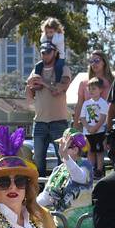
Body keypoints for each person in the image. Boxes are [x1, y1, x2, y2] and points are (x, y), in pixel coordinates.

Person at [26, 43, 72, 174]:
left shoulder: (63, 69)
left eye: (48, 52)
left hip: (59, 122)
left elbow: (59, 89)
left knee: (62, 157)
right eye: (42, 52)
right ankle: (39, 187)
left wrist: (42, 82)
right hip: (39, 122)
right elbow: (29, 98)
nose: (45, 55)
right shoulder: (36, 70)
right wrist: (29, 86)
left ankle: (60, 185)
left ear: (55, 52)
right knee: (38, 158)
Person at [39, 131, 93, 217]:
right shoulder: (58, 169)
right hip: (60, 224)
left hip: (80, 227)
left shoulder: (85, 165)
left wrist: (65, 156)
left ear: (75, 150)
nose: (60, 149)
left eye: (64, 146)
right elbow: (46, 197)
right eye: (59, 146)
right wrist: (29, 206)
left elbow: (79, 177)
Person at [78, 77, 109, 170]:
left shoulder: (103, 103)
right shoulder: (86, 103)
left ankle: (99, 169)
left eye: (94, 88)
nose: (91, 91)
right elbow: (82, 117)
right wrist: (88, 127)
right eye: (90, 89)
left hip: (99, 131)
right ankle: (90, 169)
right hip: (88, 132)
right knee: (90, 150)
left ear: (100, 90)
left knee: (99, 151)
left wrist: (95, 128)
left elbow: (103, 117)